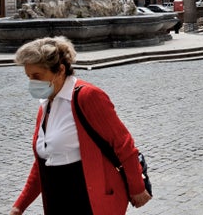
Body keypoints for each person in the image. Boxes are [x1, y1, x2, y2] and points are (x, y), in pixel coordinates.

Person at [10, 36, 151, 215]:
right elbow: (43, 159)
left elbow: (123, 144)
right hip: (56, 200)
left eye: (37, 76)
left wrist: (137, 188)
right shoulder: (46, 103)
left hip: (88, 200)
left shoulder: (88, 97)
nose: (32, 82)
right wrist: (19, 206)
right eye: (29, 76)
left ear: (60, 71)